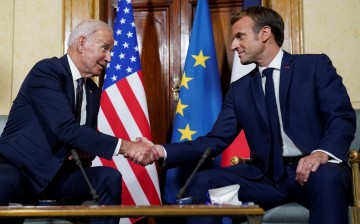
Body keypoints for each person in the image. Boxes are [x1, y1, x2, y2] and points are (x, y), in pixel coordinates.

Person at [134, 6, 356, 224]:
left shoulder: (313, 66)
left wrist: (320, 154)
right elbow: (215, 140)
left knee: (328, 177)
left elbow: (341, 117)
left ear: (264, 33)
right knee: (203, 181)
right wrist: (159, 151)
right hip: (266, 179)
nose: (233, 45)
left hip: (312, 173)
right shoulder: (240, 89)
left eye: (240, 36)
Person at [0, 19, 157, 224]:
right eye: (105, 48)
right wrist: (127, 147)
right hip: (20, 169)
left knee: (108, 178)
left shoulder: (92, 91)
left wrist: (86, 151)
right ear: (82, 43)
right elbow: (66, 129)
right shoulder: (47, 71)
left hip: (58, 176)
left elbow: (83, 140)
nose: (109, 58)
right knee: (4, 181)